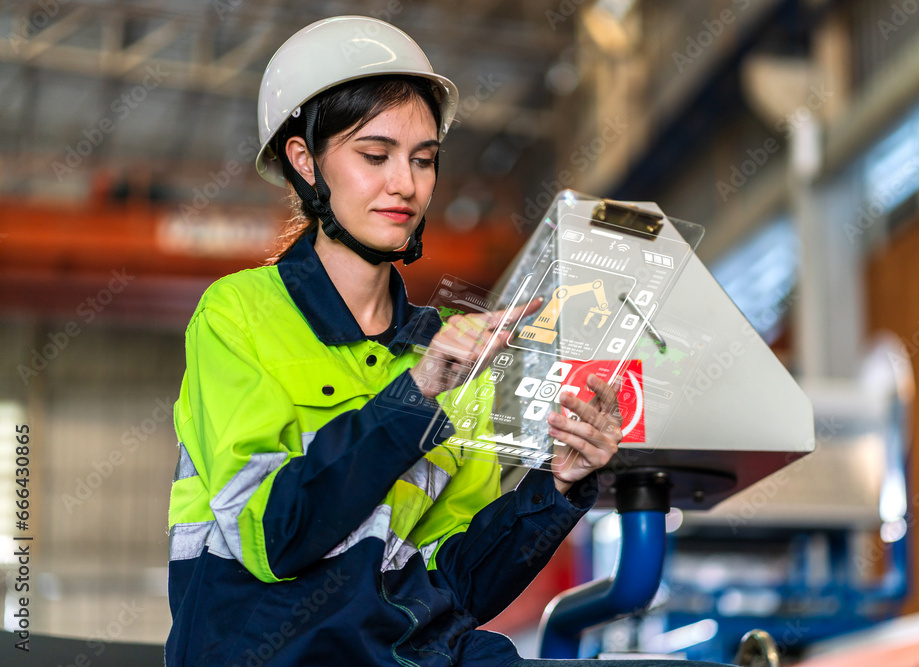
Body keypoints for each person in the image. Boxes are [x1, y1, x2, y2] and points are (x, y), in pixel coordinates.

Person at [166, 16, 721, 667]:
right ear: (304, 160)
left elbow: (459, 586)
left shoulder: (455, 354)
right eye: (375, 155)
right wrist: (414, 397)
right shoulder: (237, 316)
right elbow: (273, 536)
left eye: (423, 159)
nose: (405, 183)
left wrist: (560, 485)